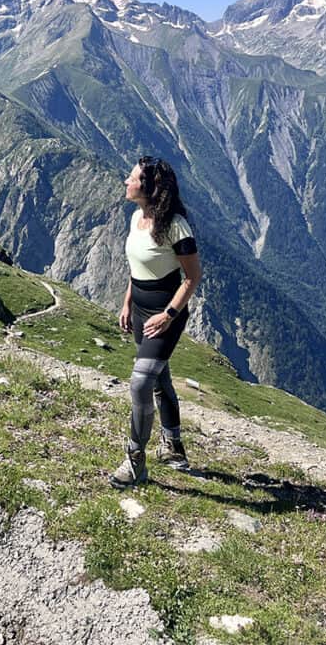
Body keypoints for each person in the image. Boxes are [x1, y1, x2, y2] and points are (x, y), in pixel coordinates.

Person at [109, 155, 202, 489]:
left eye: (131, 178)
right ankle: (174, 447)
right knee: (159, 380)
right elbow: (137, 269)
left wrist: (169, 315)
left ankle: (135, 461)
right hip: (141, 312)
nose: (126, 182)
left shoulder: (176, 225)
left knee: (140, 383)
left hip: (166, 316)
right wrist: (126, 303)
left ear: (148, 187)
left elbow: (192, 277)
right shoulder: (136, 218)